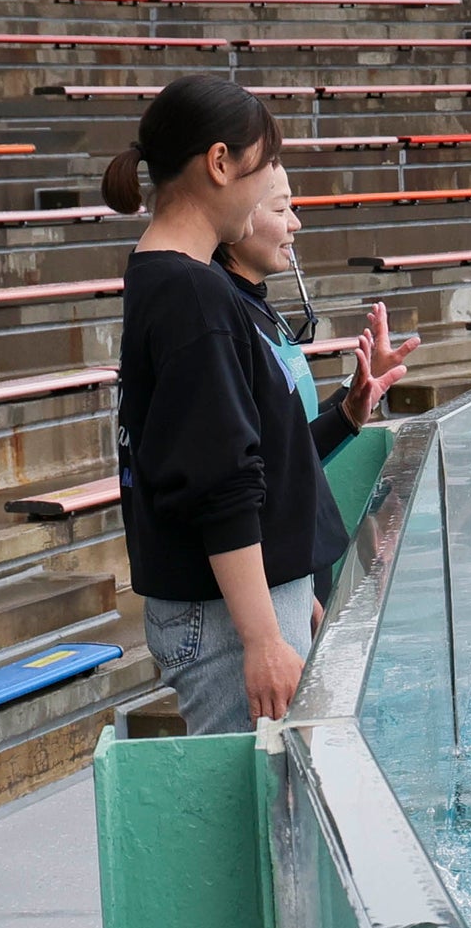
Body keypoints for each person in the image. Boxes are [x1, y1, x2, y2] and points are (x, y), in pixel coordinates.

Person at [103, 75, 405, 733]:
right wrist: (265, 637)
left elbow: (246, 454)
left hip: (239, 604)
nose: (273, 185)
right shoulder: (193, 293)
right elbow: (219, 481)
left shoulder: (175, 280)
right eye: (265, 164)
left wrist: (292, 595)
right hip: (224, 618)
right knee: (252, 790)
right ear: (220, 163)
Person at [214, 164, 420, 630]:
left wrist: (353, 398)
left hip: (301, 568)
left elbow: (288, 438)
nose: (295, 223)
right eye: (281, 209)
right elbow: (249, 469)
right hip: (278, 578)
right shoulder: (229, 320)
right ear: (238, 215)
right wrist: (283, 593)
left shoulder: (258, 307)